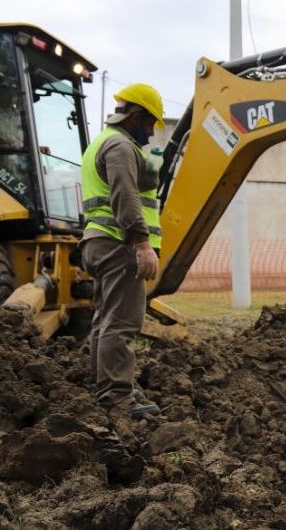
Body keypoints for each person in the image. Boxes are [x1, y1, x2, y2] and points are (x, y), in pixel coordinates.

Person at [80, 83, 164, 419]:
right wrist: (142, 244)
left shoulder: (101, 143)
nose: (151, 131)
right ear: (137, 115)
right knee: (122, 322)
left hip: (99, 242)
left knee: (104, 320)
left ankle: (103, 386)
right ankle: (117, 398)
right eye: (150, 124)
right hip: (117, 244)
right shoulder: (119, 146)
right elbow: (125, 198)